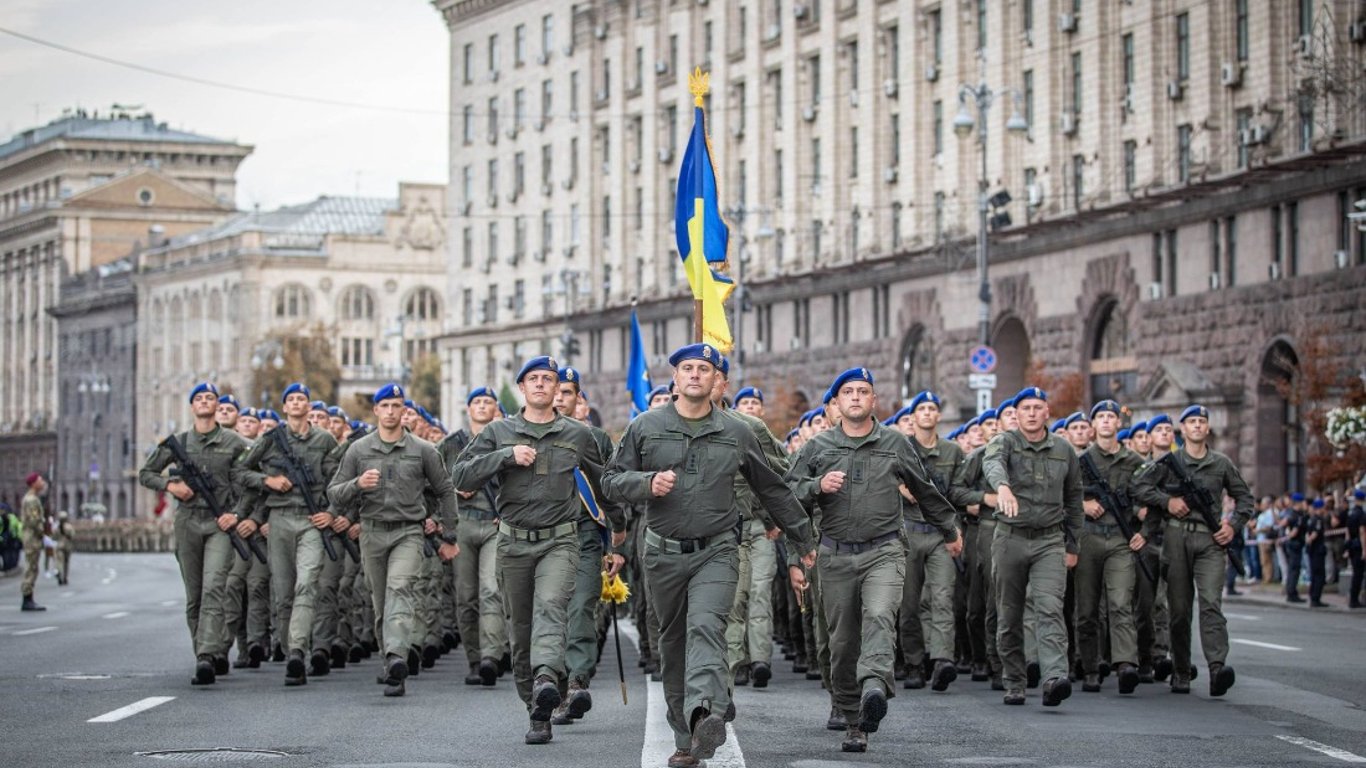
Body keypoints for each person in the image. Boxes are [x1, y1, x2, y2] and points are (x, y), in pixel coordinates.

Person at [603, 344, 816, 767]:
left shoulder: (738, 432)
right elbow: (610, 481)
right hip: (663, 554)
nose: (696, 374)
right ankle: (687, 738)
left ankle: (704, 713)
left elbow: (772, 488)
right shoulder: (646, 426)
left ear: (717, 380)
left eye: (704, 368)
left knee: (706, 628)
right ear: (677, 378)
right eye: (688, 368)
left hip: (717, 550)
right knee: (674, 641)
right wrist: (646, 484)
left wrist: (803, 541)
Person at [452, 356, 624, 745]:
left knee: (552, 607)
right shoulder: (499, 431)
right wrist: (506, 457)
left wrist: (618, 528)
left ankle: (547, 676)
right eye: (535, 379)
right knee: (520, 626)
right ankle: (537, 706)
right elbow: (461, 475)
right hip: (513, 541)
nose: (543, 385)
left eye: (550, 379)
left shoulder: (576, 435)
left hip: (561, 540)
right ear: (523, 387)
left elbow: (604, 483)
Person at [787, 370, 960, 752]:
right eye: (847, 392)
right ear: (836, 402)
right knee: (843, 640)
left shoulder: (896, 443)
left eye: (863, 391)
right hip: (834, 554)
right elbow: (788, 496)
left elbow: (923, 489)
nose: (855, 397)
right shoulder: (818, 448)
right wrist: (817, 487)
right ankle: (854, 721)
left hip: (884, 551)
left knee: (880, 616)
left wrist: (950, 529)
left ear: (873, 400)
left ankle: (874, 688)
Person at [328, 383, 458, 696]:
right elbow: (334, 493)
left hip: (408, 531)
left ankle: (398, 656)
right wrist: (358, 484)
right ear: (375, 410)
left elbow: (444, 490)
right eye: (384, 406)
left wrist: (447, 531)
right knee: (380, 602)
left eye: (396, 406)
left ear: (403, 411)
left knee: (400, 589)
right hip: (372, 531)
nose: (390, 412)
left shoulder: (423, 450)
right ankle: (391, 663)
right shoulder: (358, 450)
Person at [1132, 404, 1254, 697]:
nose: (1197, 426)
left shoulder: (1221, 463)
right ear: (1182, 430)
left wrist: (1233, 526)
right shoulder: (1170, 462)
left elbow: (1245, 499)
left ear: (1208, 428)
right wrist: (1167, 502)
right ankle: (1181, 671)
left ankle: (1216, 669)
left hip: (1211, 541)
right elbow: (1138, 487)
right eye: (1192, 422)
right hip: (1176, 539)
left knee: (1211, 604)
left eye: (1202, 421)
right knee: (1179, 610)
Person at [137, 382, 252, 683]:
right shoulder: (179, 442)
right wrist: (170, 486)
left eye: (210, 398)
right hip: (187, 520)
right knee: (195, 594)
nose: (204, 402)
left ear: (217, 405)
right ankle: (203, 649)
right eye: (199, 398)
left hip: (219, 523)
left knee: (215, 587)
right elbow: (146, 474)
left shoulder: (235, 442)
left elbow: (251, 481)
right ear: (192, 407)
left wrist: (237, 514)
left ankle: (207, 655)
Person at [232, 382, 340, 686]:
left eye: (301, 399)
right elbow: (240, 472)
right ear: (284, 407)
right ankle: (288, 644)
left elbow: (339, 480)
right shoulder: (270, 439)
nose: (296, 403)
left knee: (307, 585)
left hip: (310, 521)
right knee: (283, 594)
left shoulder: (324, 440)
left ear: (308, 405)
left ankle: (296, 652)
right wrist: (268, 481)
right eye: (290, 399)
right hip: (278, 519)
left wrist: (330, 512)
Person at [983, 387, 1083, 707]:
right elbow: (992, 463)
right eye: (1024, 407)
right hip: (1010, 537)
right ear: (1017, 413)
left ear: (1046, 412)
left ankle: (1054, 677)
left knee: (1050, 607)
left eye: (1037, 407)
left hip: (1050, 540)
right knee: (1010, 613)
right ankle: (1014, 679)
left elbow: (1074, 499)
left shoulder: (1064, 450)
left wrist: (1073, 544)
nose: (1030, 412)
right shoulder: (1006, 442)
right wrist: (1002, 488)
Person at [551, 365, 624, 724]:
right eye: (555, 390)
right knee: (548, 615)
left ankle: (576, 683)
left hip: (582, 534)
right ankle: (551, 682)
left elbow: (608, 491)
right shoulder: (525, 434)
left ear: (579, 399)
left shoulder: (595, 440)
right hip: (543, 537)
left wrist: (615, 540)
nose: (559, 398)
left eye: (568, 393)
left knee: (580, 608)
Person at [897, 390, 969, 693]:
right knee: (908, 604)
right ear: (912, 418)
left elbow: (962, 491)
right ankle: (914, 662)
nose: (927, 413)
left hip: (941, 533)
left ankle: (942, 660)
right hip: (908, 531)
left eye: (932, 408)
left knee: (942, 598)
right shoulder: (899, 447)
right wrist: (900, 486)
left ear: (939, 416)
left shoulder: (952, 452)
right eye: (921, 409)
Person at [437, 386, 508, 687]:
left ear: (495, 408)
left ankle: (492, 656)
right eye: (476, 402)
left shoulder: (505, 439)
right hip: (462, 525)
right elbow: (435, 484)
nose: (482, 406)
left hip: (494, 525)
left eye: (487, 402)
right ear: (468, 409)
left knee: (491, 590)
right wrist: (455, 490)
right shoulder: (451, 445)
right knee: (466, 596)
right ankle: (475, 659)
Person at [1075, 400, 1146, 695]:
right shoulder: (1079, 461)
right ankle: (1091, 667)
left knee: (1120, 603)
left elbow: (1148, 497)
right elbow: (1063, 497)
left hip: (1120, 538)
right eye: (1100, 417)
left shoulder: (1134, 462)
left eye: (1111, 417)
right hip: (1088, 538)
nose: (1106, 421)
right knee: (1088, 608)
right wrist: (1083, 504)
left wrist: (1145, 529)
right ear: (1093, 425)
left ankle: (1125, 664)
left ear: (1119, 423)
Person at [20, 472, 49, 611]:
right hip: (32, 537)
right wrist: (42, 533)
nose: (42, 482)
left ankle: (28, 598)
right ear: (33, 483)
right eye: (40, 480)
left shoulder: (32, 498)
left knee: (33, 567)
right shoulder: (31, 500)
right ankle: (27, 598)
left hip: (32, 536)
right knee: (31, 567)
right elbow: (34, 520)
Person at [1305, 498, 1329, 608]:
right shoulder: (1318, 520)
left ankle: (1313, 596)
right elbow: (1314, 534)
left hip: (1312, 550)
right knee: (1319, 575)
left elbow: (1307, 534)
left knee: (1314, 574)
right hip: (1317, 550)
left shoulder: (1311, 519)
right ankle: (1316, 598)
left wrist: (1308, 542)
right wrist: (1310, 541)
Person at [1346, 489, 1364, 609]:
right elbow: (1363, 533)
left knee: (1355, 574)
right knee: (1358, 574)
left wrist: (1347, 547)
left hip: (1352, 545)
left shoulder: (1351, 513)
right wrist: (1365, 549)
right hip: (1358, 546)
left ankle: (1353, 598)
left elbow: (1347, 531)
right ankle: (1354, 600)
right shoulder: (1361, 514)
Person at [54, 511, 75, 586]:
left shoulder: (57, 527)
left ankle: (59, 572)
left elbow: (54, 536)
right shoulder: (69, 527)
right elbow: (72, 536)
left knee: (59, 561)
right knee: (66, 562)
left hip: (59, 546)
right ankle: (65, 578)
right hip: (67, 546)